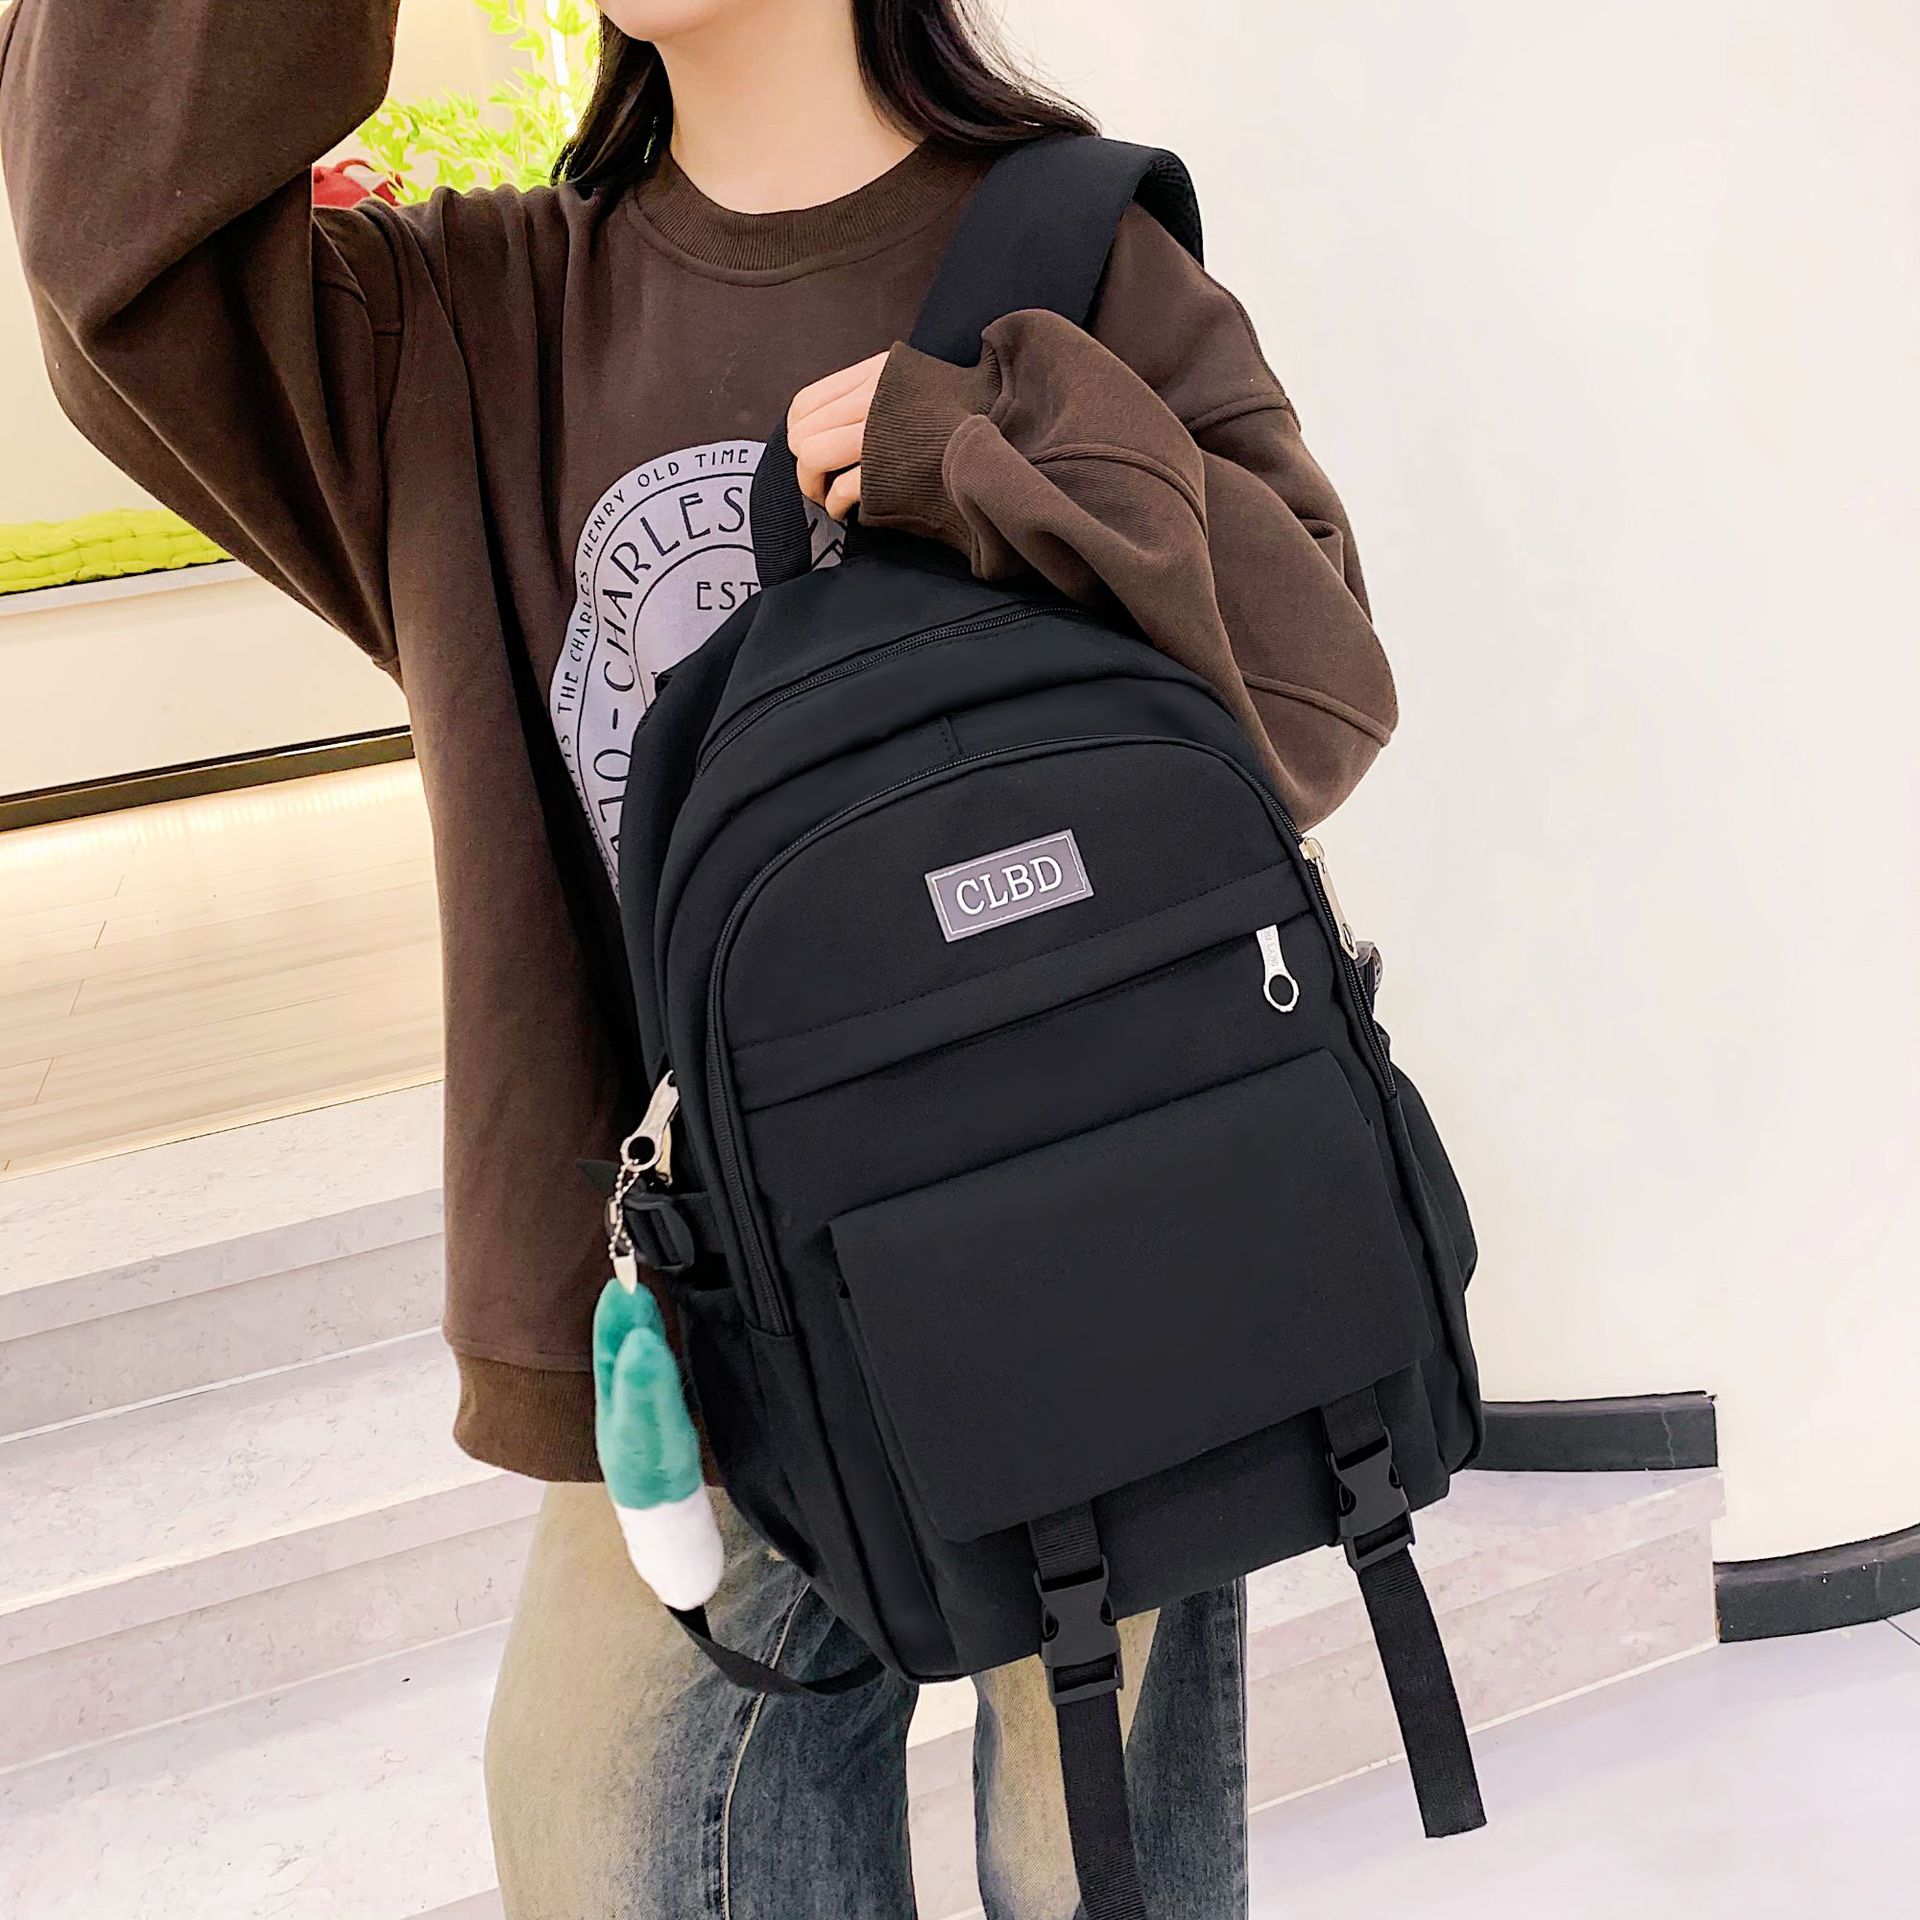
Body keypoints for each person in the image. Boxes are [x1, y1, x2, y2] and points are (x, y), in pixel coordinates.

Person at [0, 1, 1398, 1912]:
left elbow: (1315, 691)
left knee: (1097, 1866)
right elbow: (113, 252)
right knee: (608, 1827)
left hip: (1092, 1235)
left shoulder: (1076, 250)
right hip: (703, 1304)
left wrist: (985, 451)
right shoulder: (460, 333)